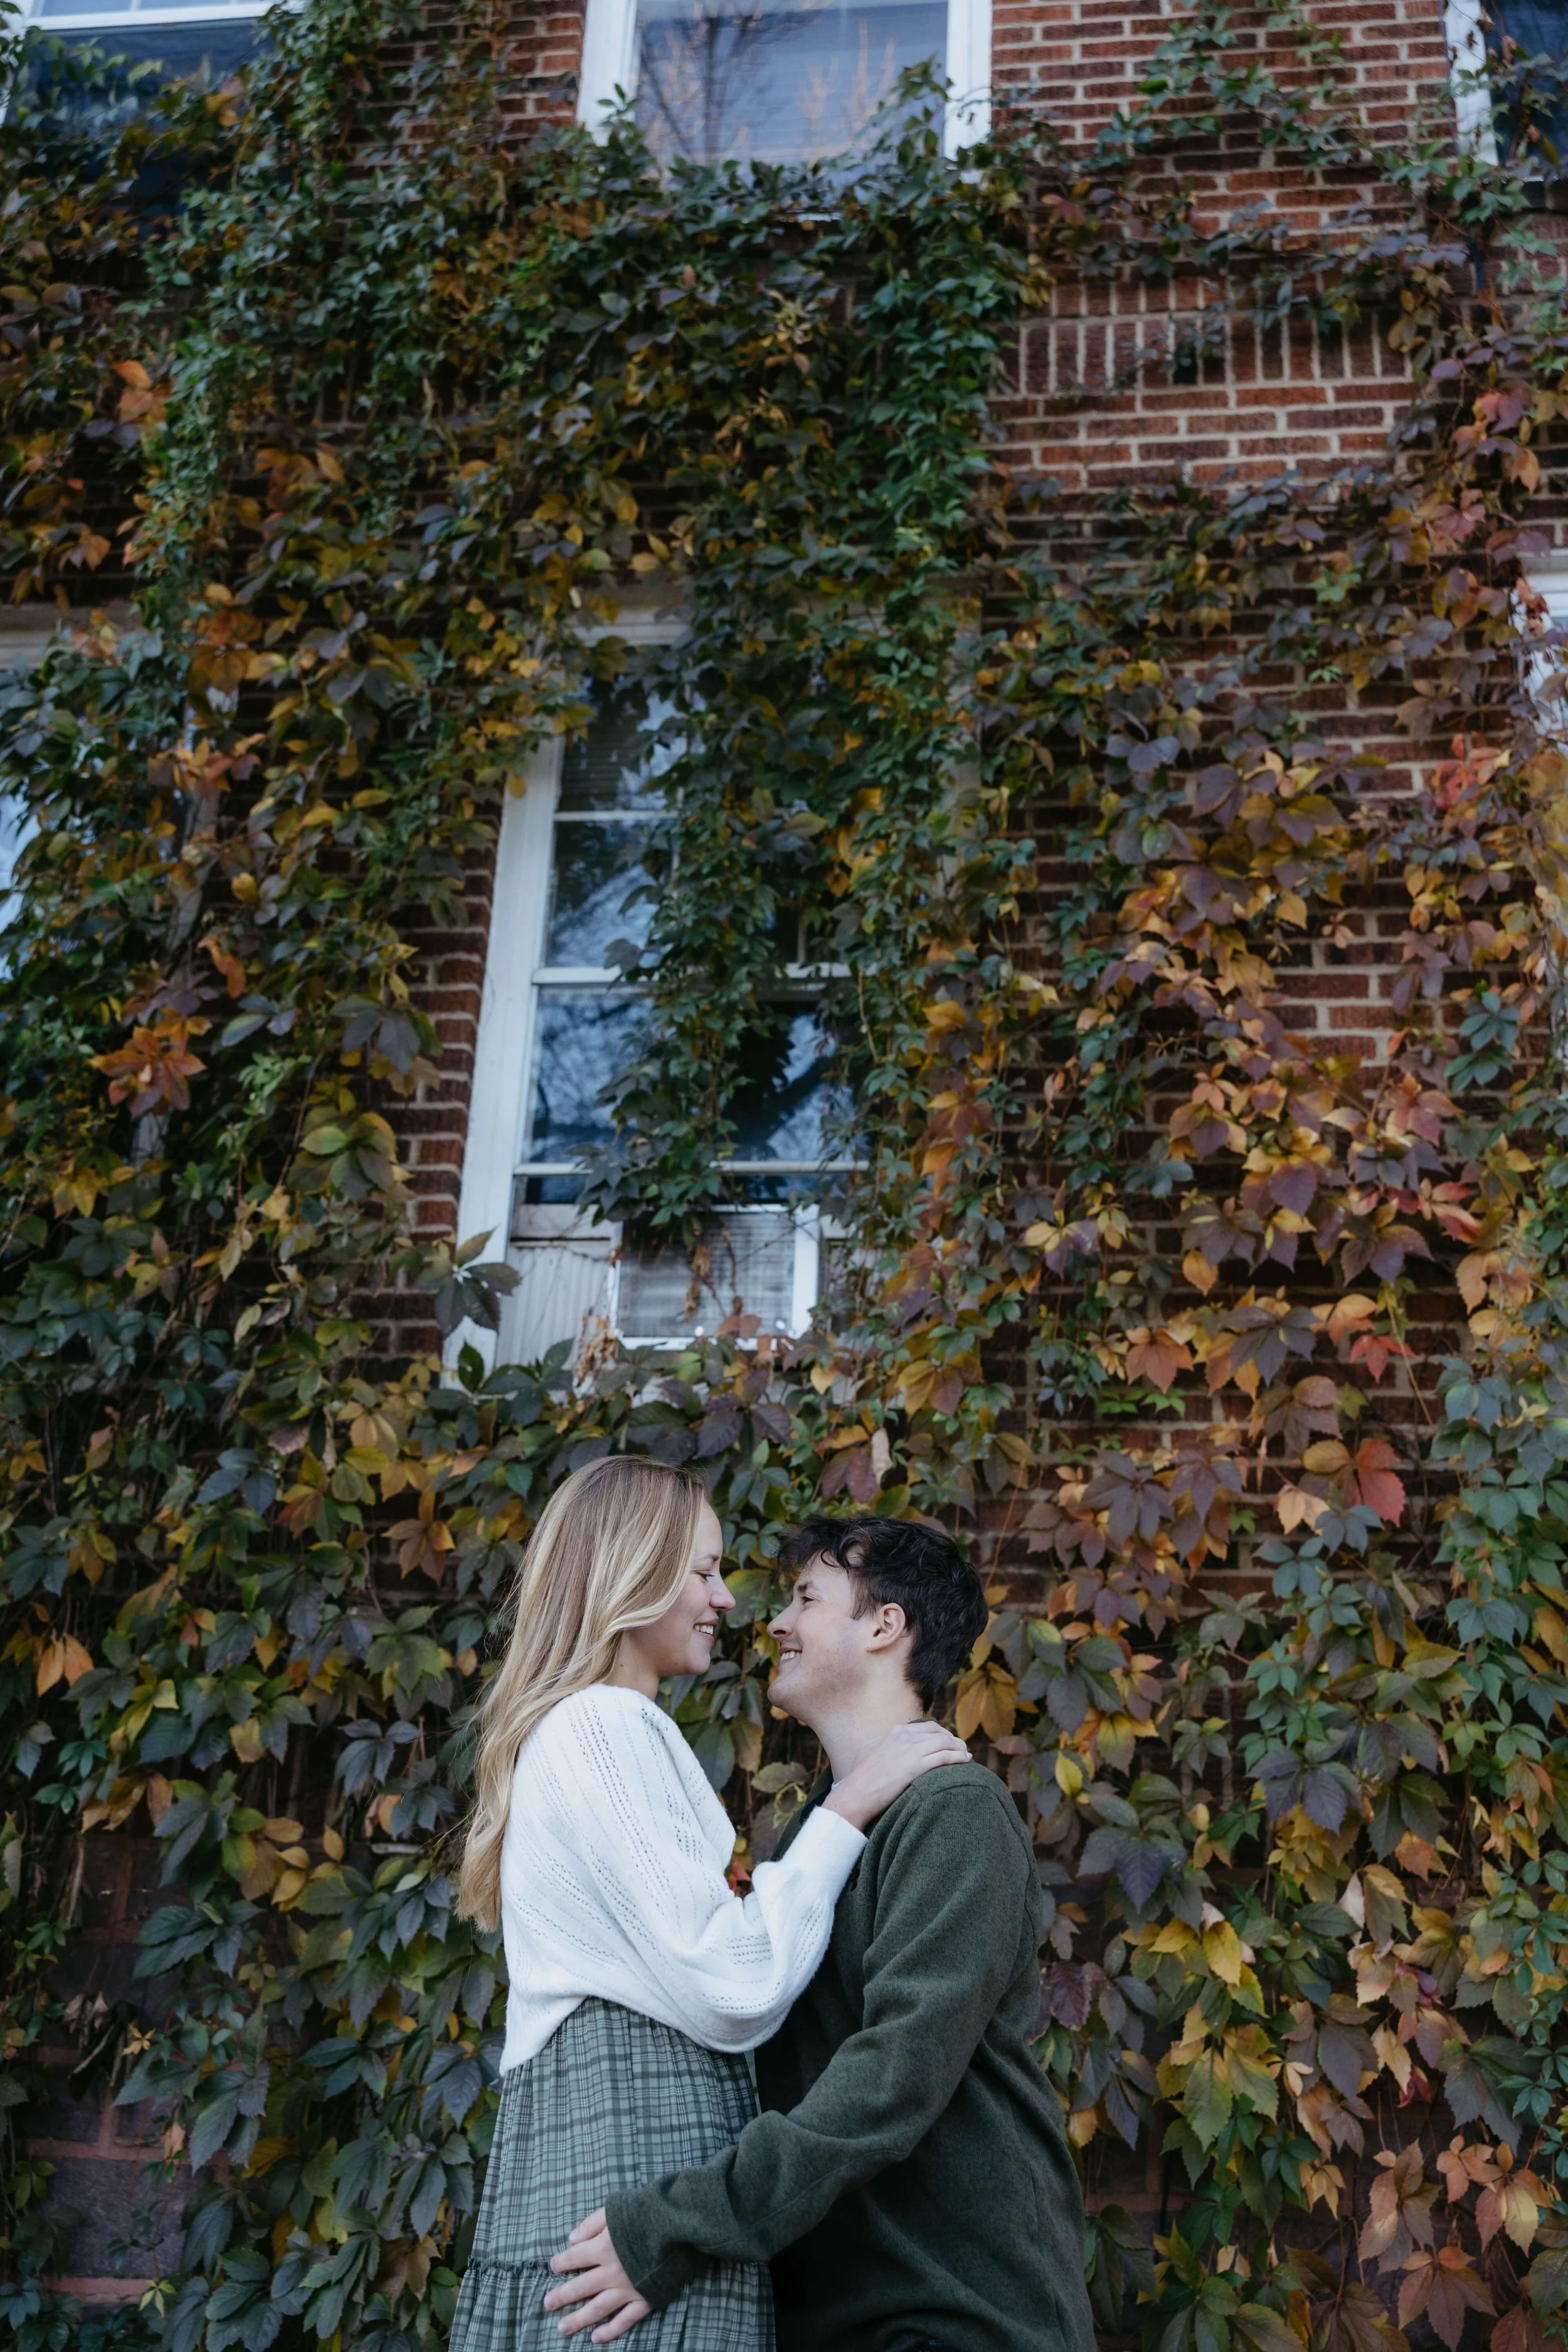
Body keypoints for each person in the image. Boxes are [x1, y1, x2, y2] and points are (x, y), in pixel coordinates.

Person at [447, 1458, 970, 2352]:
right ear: (630, 1572)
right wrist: (844, 1812)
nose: (726, 1599)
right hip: (634, 2155)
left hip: (610, 2165)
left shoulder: (589, 1728)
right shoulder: (605, 1726)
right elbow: (735, 1983)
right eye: (701, 1570)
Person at [543, 1513, 1097, 2352]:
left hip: (958, 2316)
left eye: (806, 1597)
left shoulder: (955, 1813)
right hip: (839, 2320)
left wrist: (676, 2228)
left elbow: (893, 2077)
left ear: (885, 1625)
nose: (775, 1622)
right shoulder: (818, 1835)